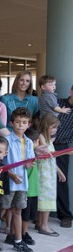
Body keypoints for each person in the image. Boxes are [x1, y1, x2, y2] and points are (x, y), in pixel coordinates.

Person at [0, 107, 35, 252]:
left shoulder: (28, 142)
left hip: (22, 183)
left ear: (29, 124)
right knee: (1, 209)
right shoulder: (6, 140)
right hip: (8, 182)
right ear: (11, 123)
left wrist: (29, 164)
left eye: (24, 122)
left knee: (18, 211)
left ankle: (18, 241)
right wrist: (11, 174)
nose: (21, 125)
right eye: (18, 122)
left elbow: (29, 161)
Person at [36, 113, 64, 237]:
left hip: (50, 172)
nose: (55, 130)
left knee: (47, 197)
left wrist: (59, 171)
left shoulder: (49, 140)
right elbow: (47, 153)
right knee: (46, 197)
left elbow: (52, 159)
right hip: (44, 174)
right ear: (46, 126)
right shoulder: (41, 137)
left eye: (56, 127)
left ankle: (41, 222)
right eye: (53, 127)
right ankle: (44, 225)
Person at [54, 84, 73, 228]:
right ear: (71, 91)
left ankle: (65, 215)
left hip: (63, 147)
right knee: (40, 178)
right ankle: (35, 214)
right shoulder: (57, 102)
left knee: (61, 179)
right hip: (44, 143)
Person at [20, 128, 40, 246]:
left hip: (32, 189)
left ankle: (24, 232)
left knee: (27, 215)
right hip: (26, 189)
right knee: (24, 214)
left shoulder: (34, 153)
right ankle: (23, 233)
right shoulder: (27, 154)